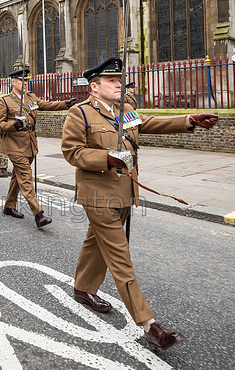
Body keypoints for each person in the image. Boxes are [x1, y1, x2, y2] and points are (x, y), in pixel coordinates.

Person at [61, 56, 219, 351]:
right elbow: (72, 152)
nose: (119, 84)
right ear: (94, 87)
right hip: (96, 194)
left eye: (119, 80)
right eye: (112, 81)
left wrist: (189, 120)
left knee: (96, 243)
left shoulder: (127, 111)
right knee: (121, 258)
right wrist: (105, 158)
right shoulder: (79, 114)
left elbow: (153, 123)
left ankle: (83, 289)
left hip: (124, 192)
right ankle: (149, 325)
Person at [0, 69, 77, 227]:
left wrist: (65, 104)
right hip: (14, 145)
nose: (25, 83)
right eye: (21, 81)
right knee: (25, 178)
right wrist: (14, 125)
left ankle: (9, 206)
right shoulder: (5, 101)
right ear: (13, 82)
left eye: (26, 81)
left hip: (30, 144)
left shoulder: (31, 96)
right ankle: (38, 214)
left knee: (17, 177)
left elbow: (45, 105)